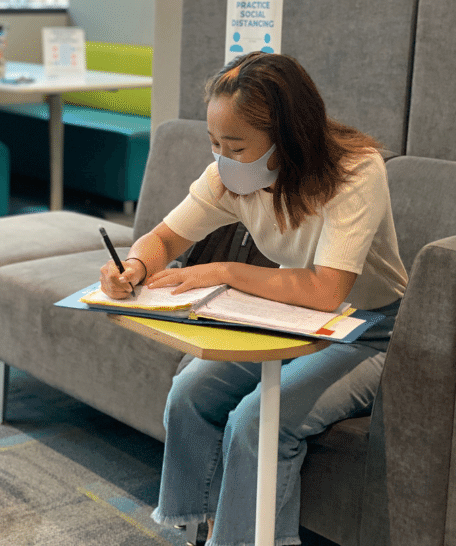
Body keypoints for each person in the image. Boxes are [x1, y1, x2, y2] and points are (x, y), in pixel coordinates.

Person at [99, 52, 408, 546]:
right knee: (189, 394)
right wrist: (134, 267)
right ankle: (197, 527)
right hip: (288, 317)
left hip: (369, 332)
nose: (221, 157)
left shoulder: (356, 172)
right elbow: (162, 239)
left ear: (286, 136)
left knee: (256, 422)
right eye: (214, 142)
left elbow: (327, 290)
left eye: (236, 145)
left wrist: (221, 271)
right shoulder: (231, 176)